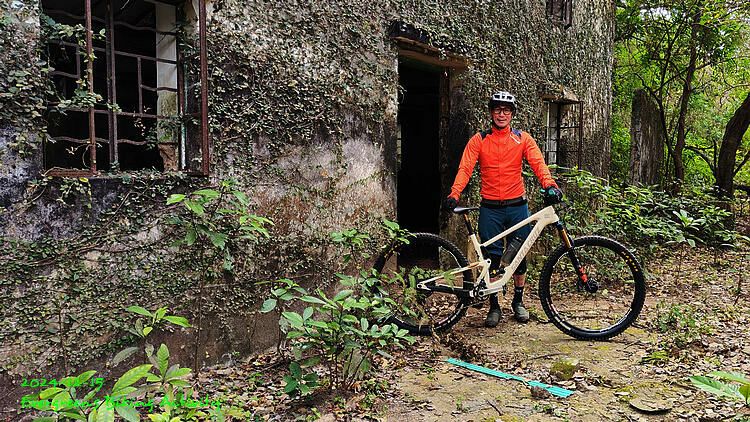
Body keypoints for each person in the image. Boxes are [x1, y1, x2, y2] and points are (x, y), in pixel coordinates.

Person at [443, 91, 563, 327]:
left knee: (519, 256)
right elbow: (465, 168)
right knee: (492, 258)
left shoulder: (522, 139)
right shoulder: (479, 140)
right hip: (490, 209)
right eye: (497, 109)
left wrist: (550, 185)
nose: (501, 114)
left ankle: (518, 301)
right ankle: (494, 305)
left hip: (517, 207)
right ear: (491, 112)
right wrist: (455, 193)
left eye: (506, 110)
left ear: (512, 114)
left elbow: (538, 164)